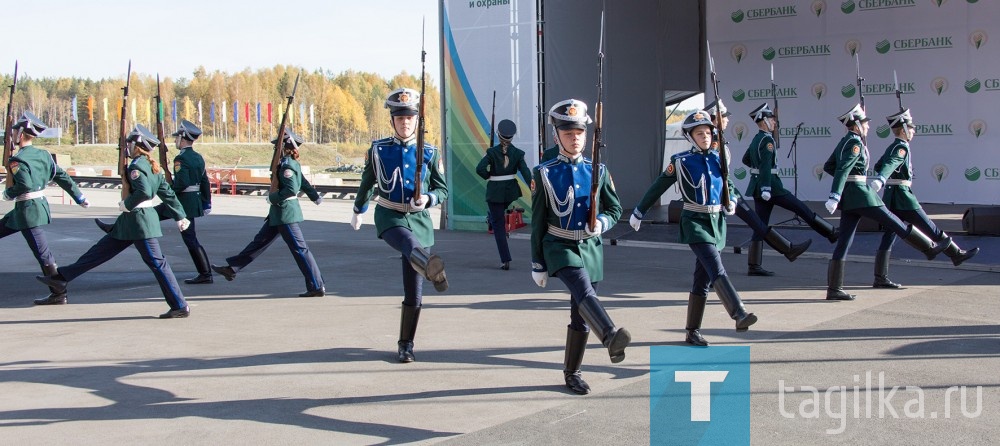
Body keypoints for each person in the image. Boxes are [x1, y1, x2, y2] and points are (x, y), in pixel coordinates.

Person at [36, 125, 192, 318]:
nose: (127, 146)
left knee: (158, 264)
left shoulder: (136, 167)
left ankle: (179, 305)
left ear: (138, 146)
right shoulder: (152, 166)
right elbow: (167, 193)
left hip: (139, 222)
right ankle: (62, 278)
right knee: (98, 253)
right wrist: (180, 215)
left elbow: (143, 191)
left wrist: (127, 204)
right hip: (130, 223)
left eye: (130, 143)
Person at [631, 111, 758, 347]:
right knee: (716, 268)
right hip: (695, 223)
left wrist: (731, 200)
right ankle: (738, 312)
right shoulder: (681, 161)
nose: (706, 137)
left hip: (716, 222)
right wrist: (639, 210)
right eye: (700, 133)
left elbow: (727, 182)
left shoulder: (719, 157)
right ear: (690, 136)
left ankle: (692, 331)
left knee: (702, 280)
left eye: (708, 133)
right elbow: (659, 185)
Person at [531, 99, 630, 395]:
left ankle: (572, 372)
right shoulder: (544, 172)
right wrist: (538, 263)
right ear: (557, 135)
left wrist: (601, 222)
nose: (575, 139)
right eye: (568, 133)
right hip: (558, 245)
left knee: (581, 314)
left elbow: (615, 208)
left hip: (590, 249)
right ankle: (611, 333)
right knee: (583, 290)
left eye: (579, 133)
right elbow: (537, 221)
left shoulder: (598, 170)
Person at [351, 88, 449, 363]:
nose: (405, 122)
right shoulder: (378, 150)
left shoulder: (429, 152)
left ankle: (406, 344)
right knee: (409, 245)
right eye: (400, 118)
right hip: (391, 217)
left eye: (410, 118)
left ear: (417, 120)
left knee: (413, 293)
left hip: (419, 219)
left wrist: (429, 198)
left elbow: (443, 190)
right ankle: (432, 266)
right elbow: (367, 182)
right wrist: (359, 210)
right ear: (392, 120)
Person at [822, 104, 949, 300]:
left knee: (844, 241)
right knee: (894, 221)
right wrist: (835, 193)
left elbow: (830, 166)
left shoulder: (845, 141)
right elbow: (841, 169)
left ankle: (834, 288)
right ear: (856, 125)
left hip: (850, 196)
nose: (868, 127)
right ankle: (928, 248)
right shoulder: (855, 144)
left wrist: (843, 187)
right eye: (864, 123)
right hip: (860, 194)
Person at [868, 109, 979, 288]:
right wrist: (881, 178)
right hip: (903, 197)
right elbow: (888, 164)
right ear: (903, 129)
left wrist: (887, 175)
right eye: (911, 128)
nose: (914, 131)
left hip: (892, 197)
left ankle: (880, 277)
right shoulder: (902, 147)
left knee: (889, 236)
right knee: (929, 227)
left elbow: (879, 164)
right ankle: (956, 254)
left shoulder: (893, 146)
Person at [95, 119, 214, 284]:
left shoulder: (182, 159)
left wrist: (165, 185)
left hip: (182, 203)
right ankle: (116, 228)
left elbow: (182, 183)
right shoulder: (197, 157)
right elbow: (204, 181)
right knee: (155, 218)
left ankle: (206, 273)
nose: (175, 141)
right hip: (192, 202)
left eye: (177, 138)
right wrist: (206, 202)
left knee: (184, 235)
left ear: (183, 138)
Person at [211, 129, 325, 297]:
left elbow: (292, 188)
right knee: (258, 243)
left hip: (285, 213)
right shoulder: (287, 163)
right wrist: (314, 196)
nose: (274, 149)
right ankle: (232, 269)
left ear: (285, 147)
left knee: (301, 250)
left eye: (277, 146)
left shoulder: (287, 165)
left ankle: (316, 285)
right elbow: (304, 183)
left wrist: (273, 198)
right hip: (278, 214)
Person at [703, 99, 811, 276]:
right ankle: (786, 250)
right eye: (724, 116)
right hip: (722, 191)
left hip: (726, 189)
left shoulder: (717, 137)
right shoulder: (713, 139)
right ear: (716, 118)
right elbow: (712, 167)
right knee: (731, 226)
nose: (728, 120)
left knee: (752, 223)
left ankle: (764, 260)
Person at [2, 112, 90, 305]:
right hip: (28, 209)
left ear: (20, 134)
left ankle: (59, 293)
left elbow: (24, 184)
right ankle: (58, 293)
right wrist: (79, 196)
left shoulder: (17, 160)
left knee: (43, 254)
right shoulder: (43, 155)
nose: (12, 134)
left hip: (28, 212)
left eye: (15, 131)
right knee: (41, 252)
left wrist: (9, 193)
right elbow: (62, 176)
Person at [741, 103, 838, 275]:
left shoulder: (757, 139)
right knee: (802, 209)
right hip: (771, 186)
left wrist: (759, 179)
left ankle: (753, 265)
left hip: (758, 186)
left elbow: (746, 159)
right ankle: (830, 233)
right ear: (763, 121)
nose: (774, 122)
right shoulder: (767, 140)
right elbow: (764, 165)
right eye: (771, 119)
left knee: (760, 225)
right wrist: (766, 186)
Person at [476, 119, 532, 270]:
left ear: (499, 135)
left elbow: (480, 169)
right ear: (512, 137)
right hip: (510, 191)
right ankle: (493, 215)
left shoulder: (492, 152)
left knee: (498, 225)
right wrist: (534, 187)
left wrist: (489, 175)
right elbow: (526, 172)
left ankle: (505, 259)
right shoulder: (518, 153)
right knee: (497, 214)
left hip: (495, 192)